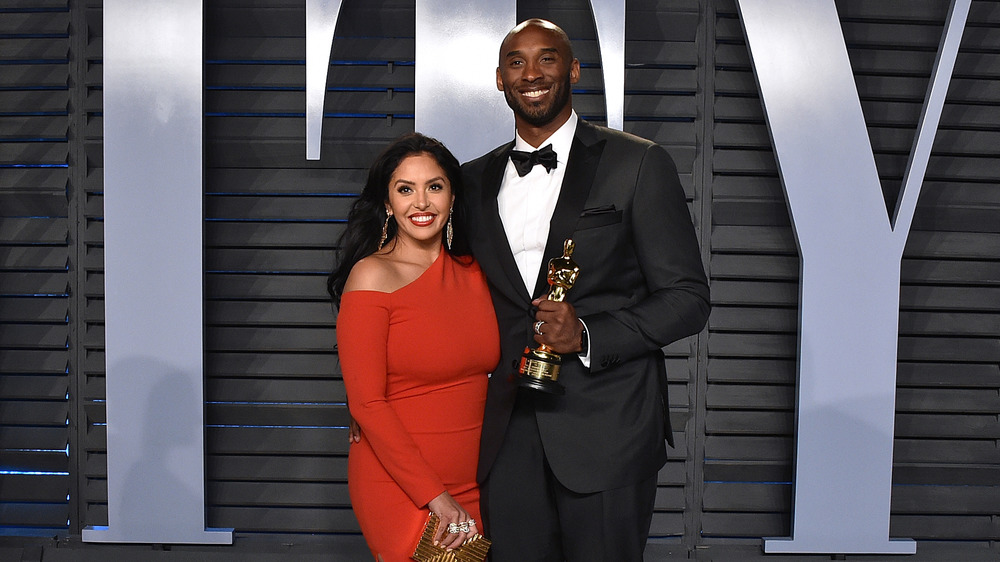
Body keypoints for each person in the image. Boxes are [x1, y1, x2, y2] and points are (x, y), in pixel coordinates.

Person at [460, 19, 711, 561]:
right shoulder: (468, 181)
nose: (532, 73)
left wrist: (590, 335)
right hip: (502, 437)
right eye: (516, 62)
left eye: (547, 59)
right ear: (500, 79)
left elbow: (688, 297)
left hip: (608, 433)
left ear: (572, 70)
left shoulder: (638, 163)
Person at [329, 133, 500, 561]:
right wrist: (435, 497)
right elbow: (366, 402)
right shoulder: (372, 276)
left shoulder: (478, 272)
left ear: (453, 196)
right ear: (387, 203)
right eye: (405, 189)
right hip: (403, 483)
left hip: (478, 478)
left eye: (434, 187)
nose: (421, 203)